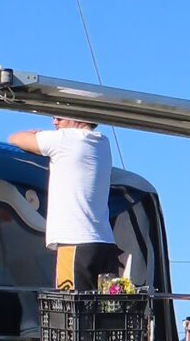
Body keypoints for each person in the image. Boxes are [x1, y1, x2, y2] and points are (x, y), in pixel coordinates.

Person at [7, 118, 119, 289]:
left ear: (76, 117)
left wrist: (38, 135)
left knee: (71, 308)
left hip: (74, 242)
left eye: (59, 118)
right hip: (105, 244)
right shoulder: (103, 143)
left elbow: (14, 138)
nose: (54, 123)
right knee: (105, 311)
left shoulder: (64, 140)